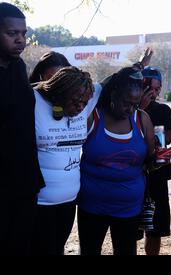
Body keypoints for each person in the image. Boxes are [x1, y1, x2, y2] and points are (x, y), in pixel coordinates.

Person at [77, 67, 155, 255]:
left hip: (129, 206)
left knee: (126, 250)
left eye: (135, 104)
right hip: (92, 204)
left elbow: (151, 159)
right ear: (113, 95)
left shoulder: (142, 119)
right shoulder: (92, 117)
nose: (130, 109)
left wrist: (158, 160)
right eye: (126, 103)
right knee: (89, 250)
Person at [31, 66, 96, 255]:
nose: (81, 108)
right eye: (76, 102)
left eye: (85, 103)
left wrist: (139, 66)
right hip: (39, 203)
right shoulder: (33, 100)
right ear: (60, 93)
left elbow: (113, 82)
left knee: (58, 248)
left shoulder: (86, 97)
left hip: (69, 202)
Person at [0, 2, 44, 255]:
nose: (20, 40)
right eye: (12, 33)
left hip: (25, 182)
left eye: (23, 34)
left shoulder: (18, 67)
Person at [138, 66, 171, 255]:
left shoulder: (163, 109)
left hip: (157, 174)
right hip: (134, 173)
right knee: (131, 228)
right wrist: (140, 110)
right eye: (147, 87)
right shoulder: (126, 106)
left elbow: (169, 138)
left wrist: (161, 143)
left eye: (157, 88)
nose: (152, 92)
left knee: (155, 228)